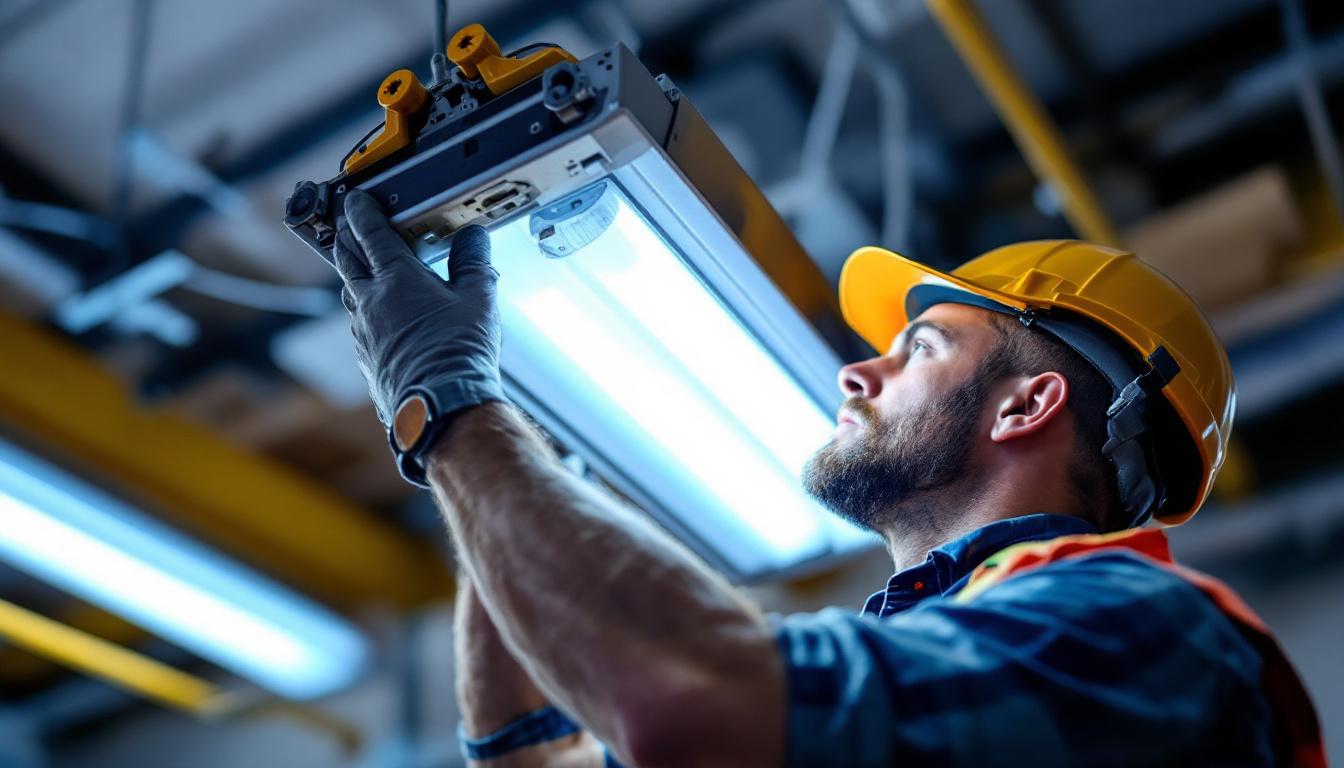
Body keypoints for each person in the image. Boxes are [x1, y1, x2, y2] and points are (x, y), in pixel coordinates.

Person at [331, 189, 1325, 767]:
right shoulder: (908, 654)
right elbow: (537, 758)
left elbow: (690, 702)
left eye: (920, 346)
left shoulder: (1139, 629)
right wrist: (505, 443)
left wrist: (450, 408)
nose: (856, 372)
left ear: (1025, 407)